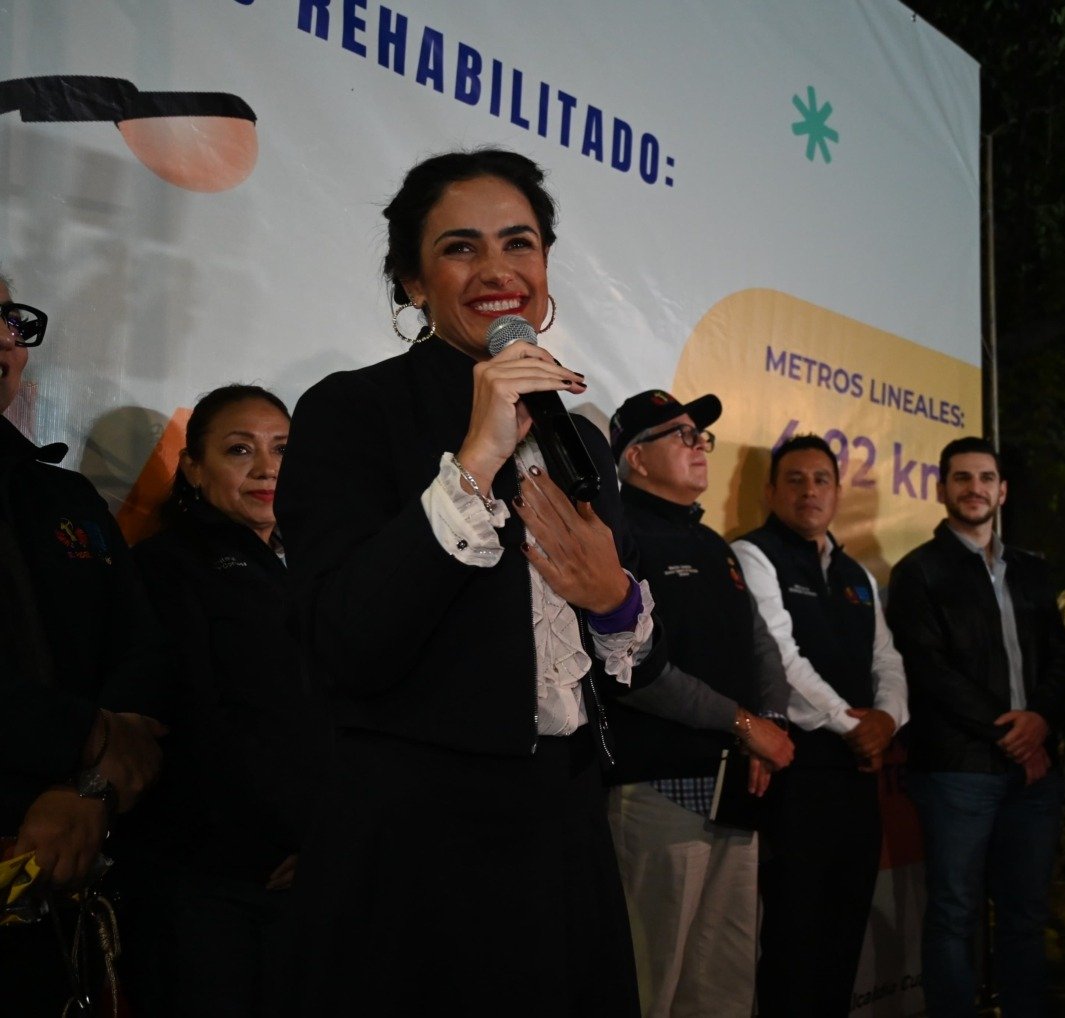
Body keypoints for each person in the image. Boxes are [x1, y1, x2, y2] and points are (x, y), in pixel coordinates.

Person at [274, 149, 665, 1017]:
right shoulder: (351, 410)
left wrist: (614, 599)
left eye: (519, 243)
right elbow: (344, 644)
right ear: (412, 282)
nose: (497, 270)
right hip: (416, 843)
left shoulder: (581, 438)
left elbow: (635, 659)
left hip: (566, 826)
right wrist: (477, 457)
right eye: (461, 247)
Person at [0, 273, 169, 1013]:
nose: (4, 339)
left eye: (10, 320)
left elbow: (142, 654)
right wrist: (85, 735)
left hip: (65, 880)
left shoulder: (63, 496)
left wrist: (89, 790)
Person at [131, 384, 328, 1017]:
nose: (267, 468)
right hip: (216, 880)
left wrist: (331, 836)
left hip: (319, 869)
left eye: (282, 449)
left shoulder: (323, 562)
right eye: (240, 450)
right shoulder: (167, 567)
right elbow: (196, 722)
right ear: (192, 467)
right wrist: (283, 839)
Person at [604, 387, 796, 1017]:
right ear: (636, 458)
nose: (700, 446)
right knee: (649, 984)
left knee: (725, 986)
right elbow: (633, 669)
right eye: (681, 435)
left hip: (739, 790)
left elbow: (762, 646)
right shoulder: (617, 537)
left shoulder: (714, 544)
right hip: (659, 790)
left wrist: (768, 726)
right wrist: (743, 724)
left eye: (701, 435)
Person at [885, 436, 1065, 1017]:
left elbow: (1061, 658)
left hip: (1033, 775)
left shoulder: (1033, 570)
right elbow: (929, 671)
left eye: (986, 478)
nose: (975, 488)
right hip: (958, 770)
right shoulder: (918, 572)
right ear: (941, 488)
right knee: (954, 914)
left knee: (1026, 915)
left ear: (1003, 490)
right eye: (962, 478)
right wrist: (1015, 736)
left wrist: (1040, 722)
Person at [731, 434, 909, 1017]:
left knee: (843, 933)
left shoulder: (857, 573)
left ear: (837, 493)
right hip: (796, 774)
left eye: (821, 480)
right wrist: (850, 723)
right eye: (795, 479)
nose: (810, 491)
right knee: (793, 938)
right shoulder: (752, 555)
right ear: (770, 492)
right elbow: (780, 659)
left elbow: (887, 660)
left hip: (859, 775)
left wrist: (888, 719)